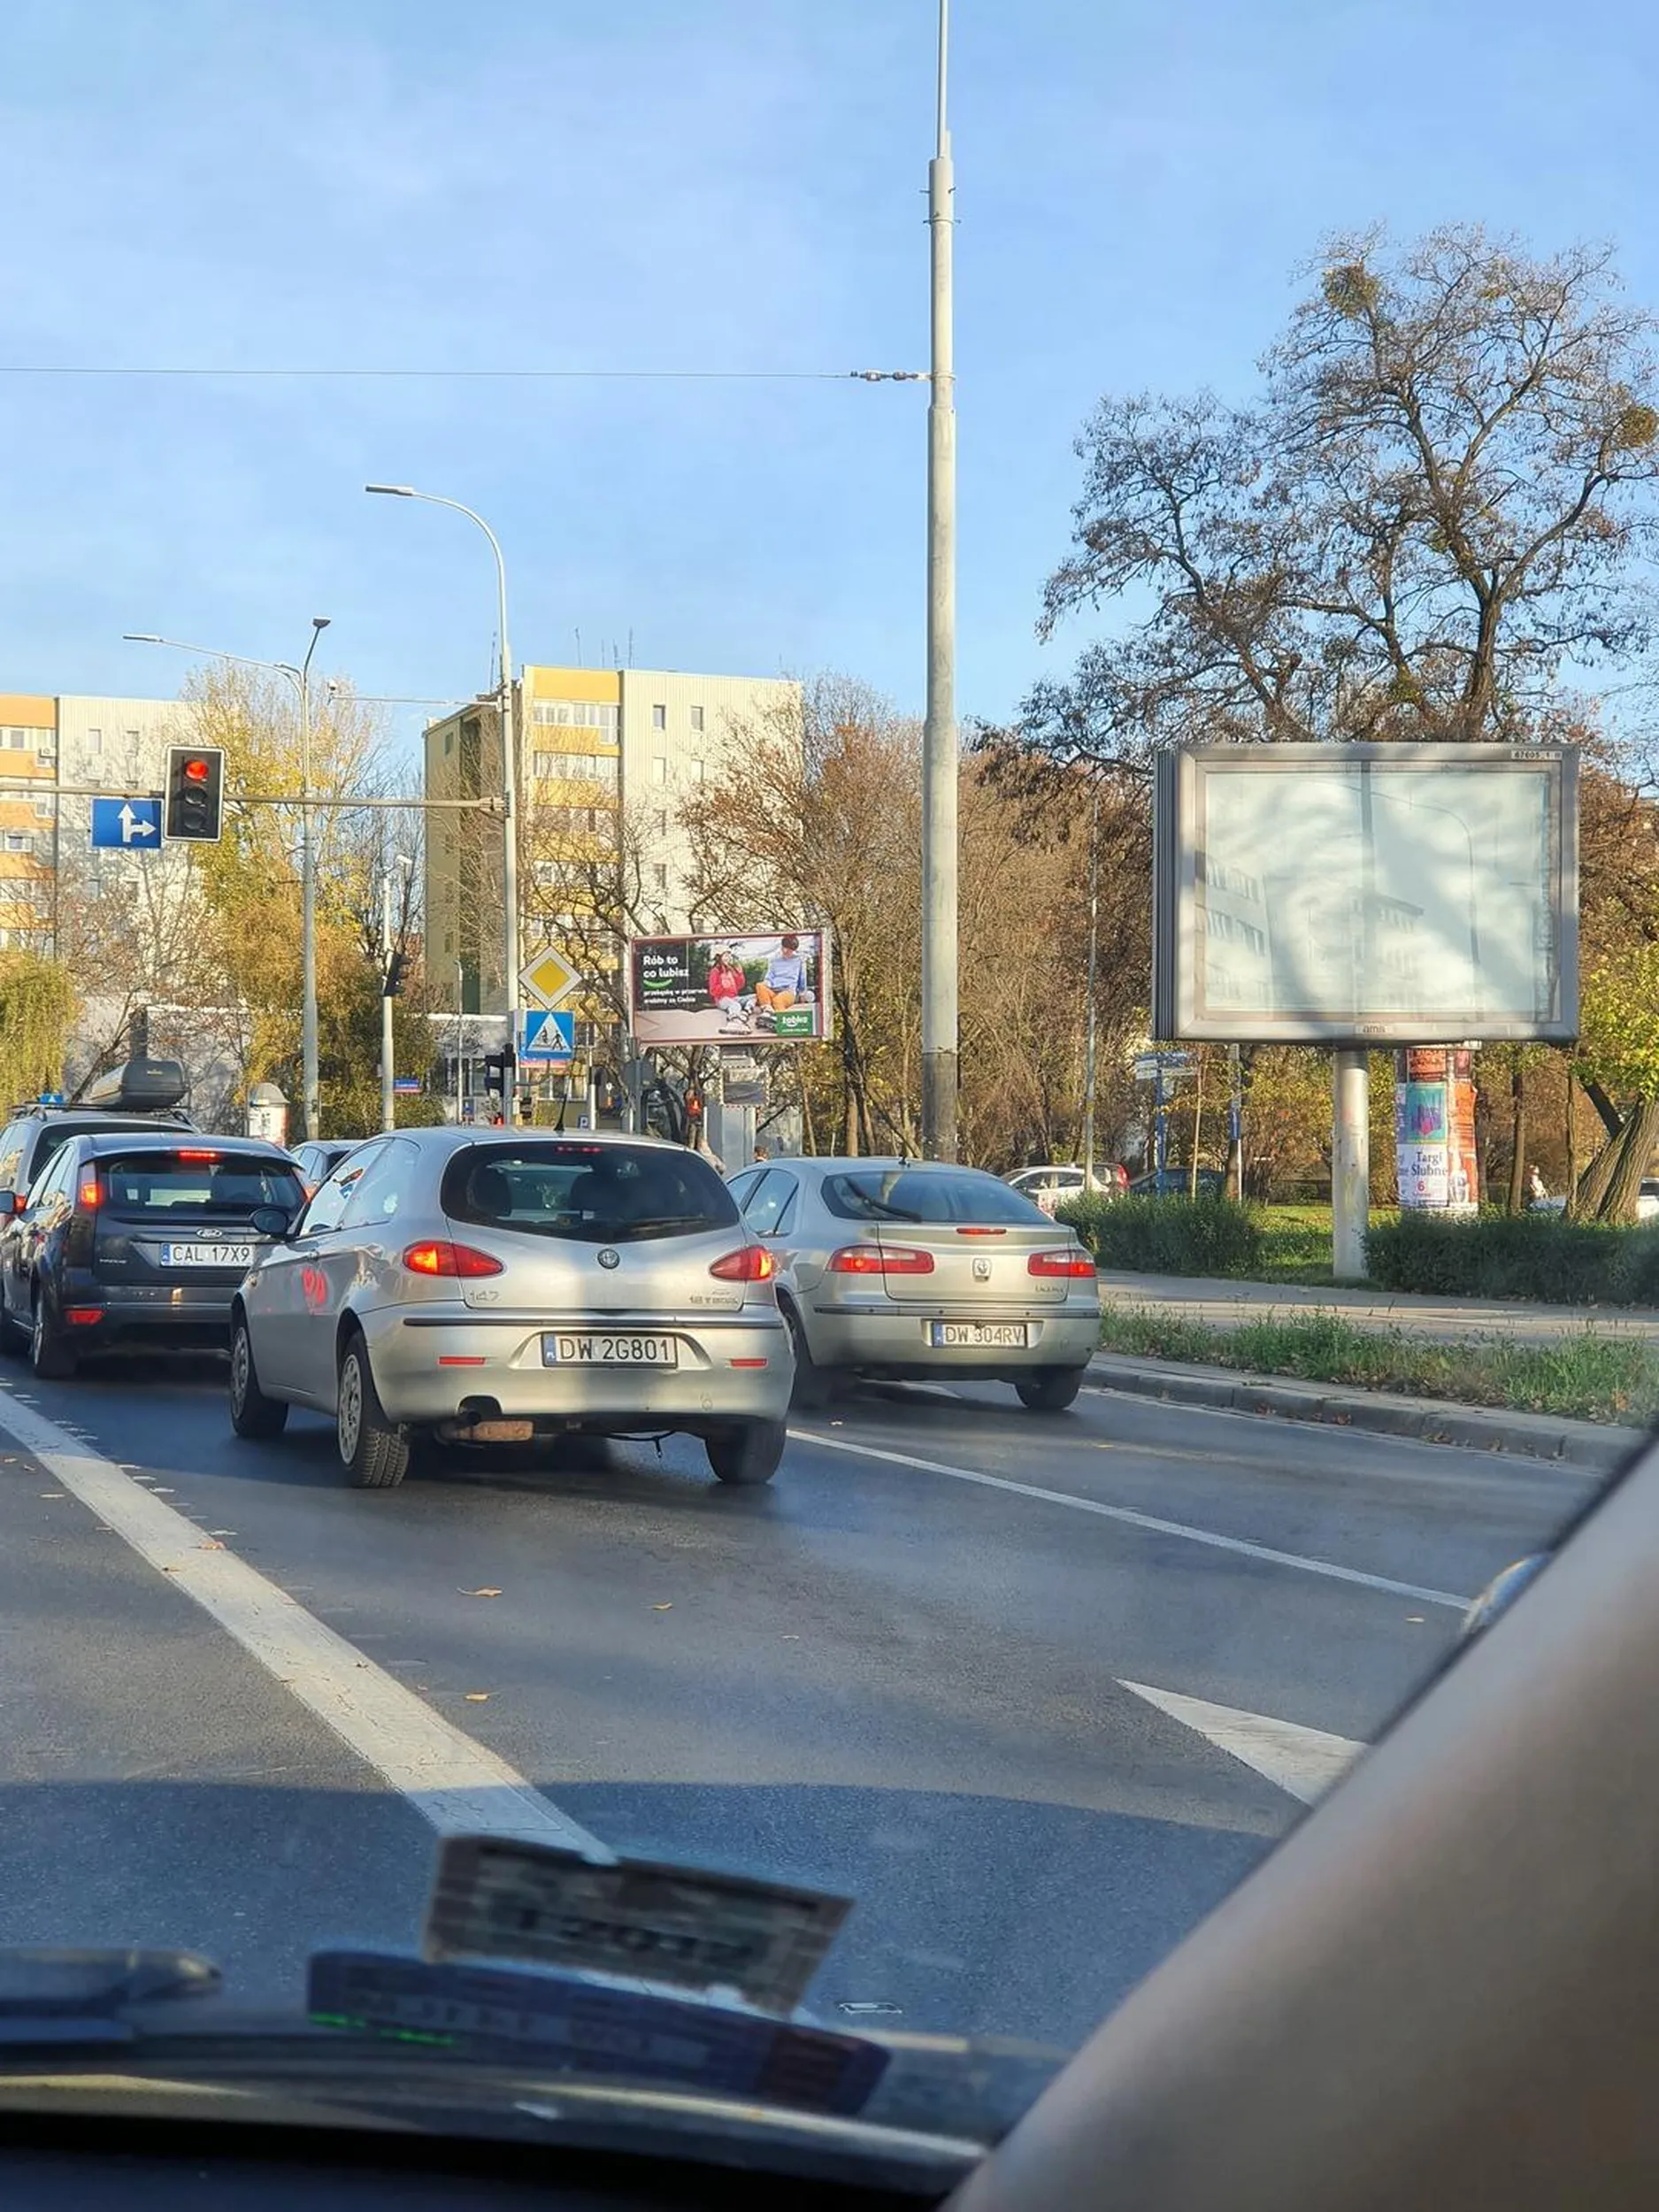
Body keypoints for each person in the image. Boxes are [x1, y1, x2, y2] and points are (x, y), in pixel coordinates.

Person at [754, 934, 806, 1019]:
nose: (785, 951)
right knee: (760, 985)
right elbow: (769, 976)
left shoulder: (799, 961)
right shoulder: (775, 960)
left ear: (793, 950)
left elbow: (802, 979)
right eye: (784, 948)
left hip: (788, 992)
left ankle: (782, 1022)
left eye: (788, 950)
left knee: (778, 1000)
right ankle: (768, 1011)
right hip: (774, 990)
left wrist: (802, 993)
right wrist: (767, 983)